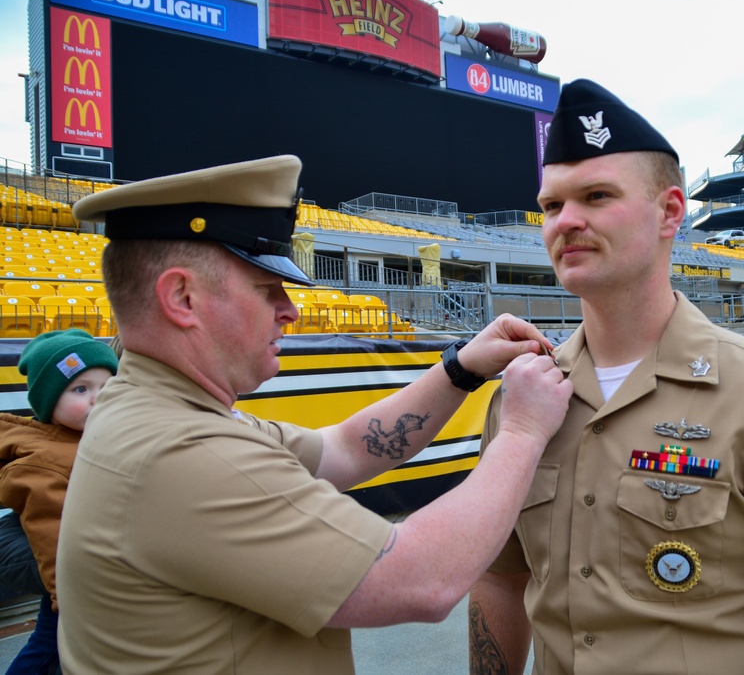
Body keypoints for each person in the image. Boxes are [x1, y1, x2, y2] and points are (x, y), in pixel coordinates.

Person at [55, 155, 573, 674]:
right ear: (181, 297)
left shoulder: (157, 412)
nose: (290, 309)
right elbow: (422, 580)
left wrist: (459, 368)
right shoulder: (181, 451)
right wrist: (523, 430)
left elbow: (344, 449)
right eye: (266, 289)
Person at [468, 80, 744, 675]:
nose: (565, 221)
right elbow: (499, 581)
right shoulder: (524, 398)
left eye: (596, 196)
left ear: (670, 211)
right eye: (551, 205)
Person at [0, 329, 118, 674]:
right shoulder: (44, 460)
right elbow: (49, 533)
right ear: (49, 401)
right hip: (69, 589)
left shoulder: (89, 436)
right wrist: (67, 598)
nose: (98, 399)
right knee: (47, 649)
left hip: (87, 569)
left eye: (107, 388)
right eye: (80, 390)